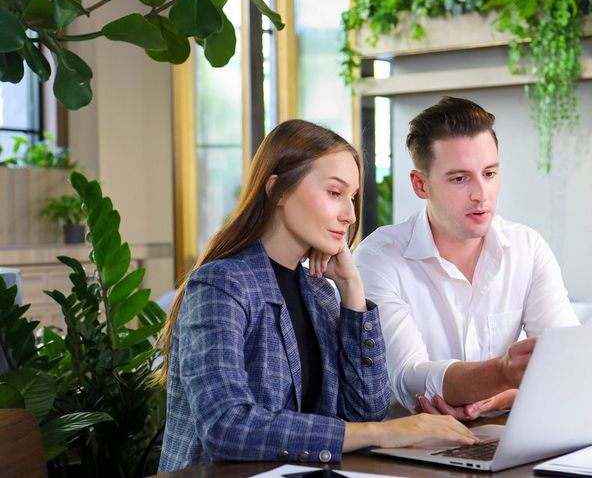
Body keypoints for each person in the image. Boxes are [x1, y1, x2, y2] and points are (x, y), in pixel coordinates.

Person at [155, 120, 479, 472]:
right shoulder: (221, 286)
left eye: (353, 197)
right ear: (277, 190)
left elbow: (365, 409)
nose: (350, 214)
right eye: (334, 193)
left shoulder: (320, 294)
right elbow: (227, 427)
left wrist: (353, 293)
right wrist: (383, 433)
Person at [354, 97, 580, 420]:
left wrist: (501, 396)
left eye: (489, 173)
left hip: (506, 439)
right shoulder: (378, 259)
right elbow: (410, 379)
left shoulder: (527, 249)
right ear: (421, 184)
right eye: (460, 178)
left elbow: (569, 360)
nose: (481, 194)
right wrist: (502, 375)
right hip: (407, 452)